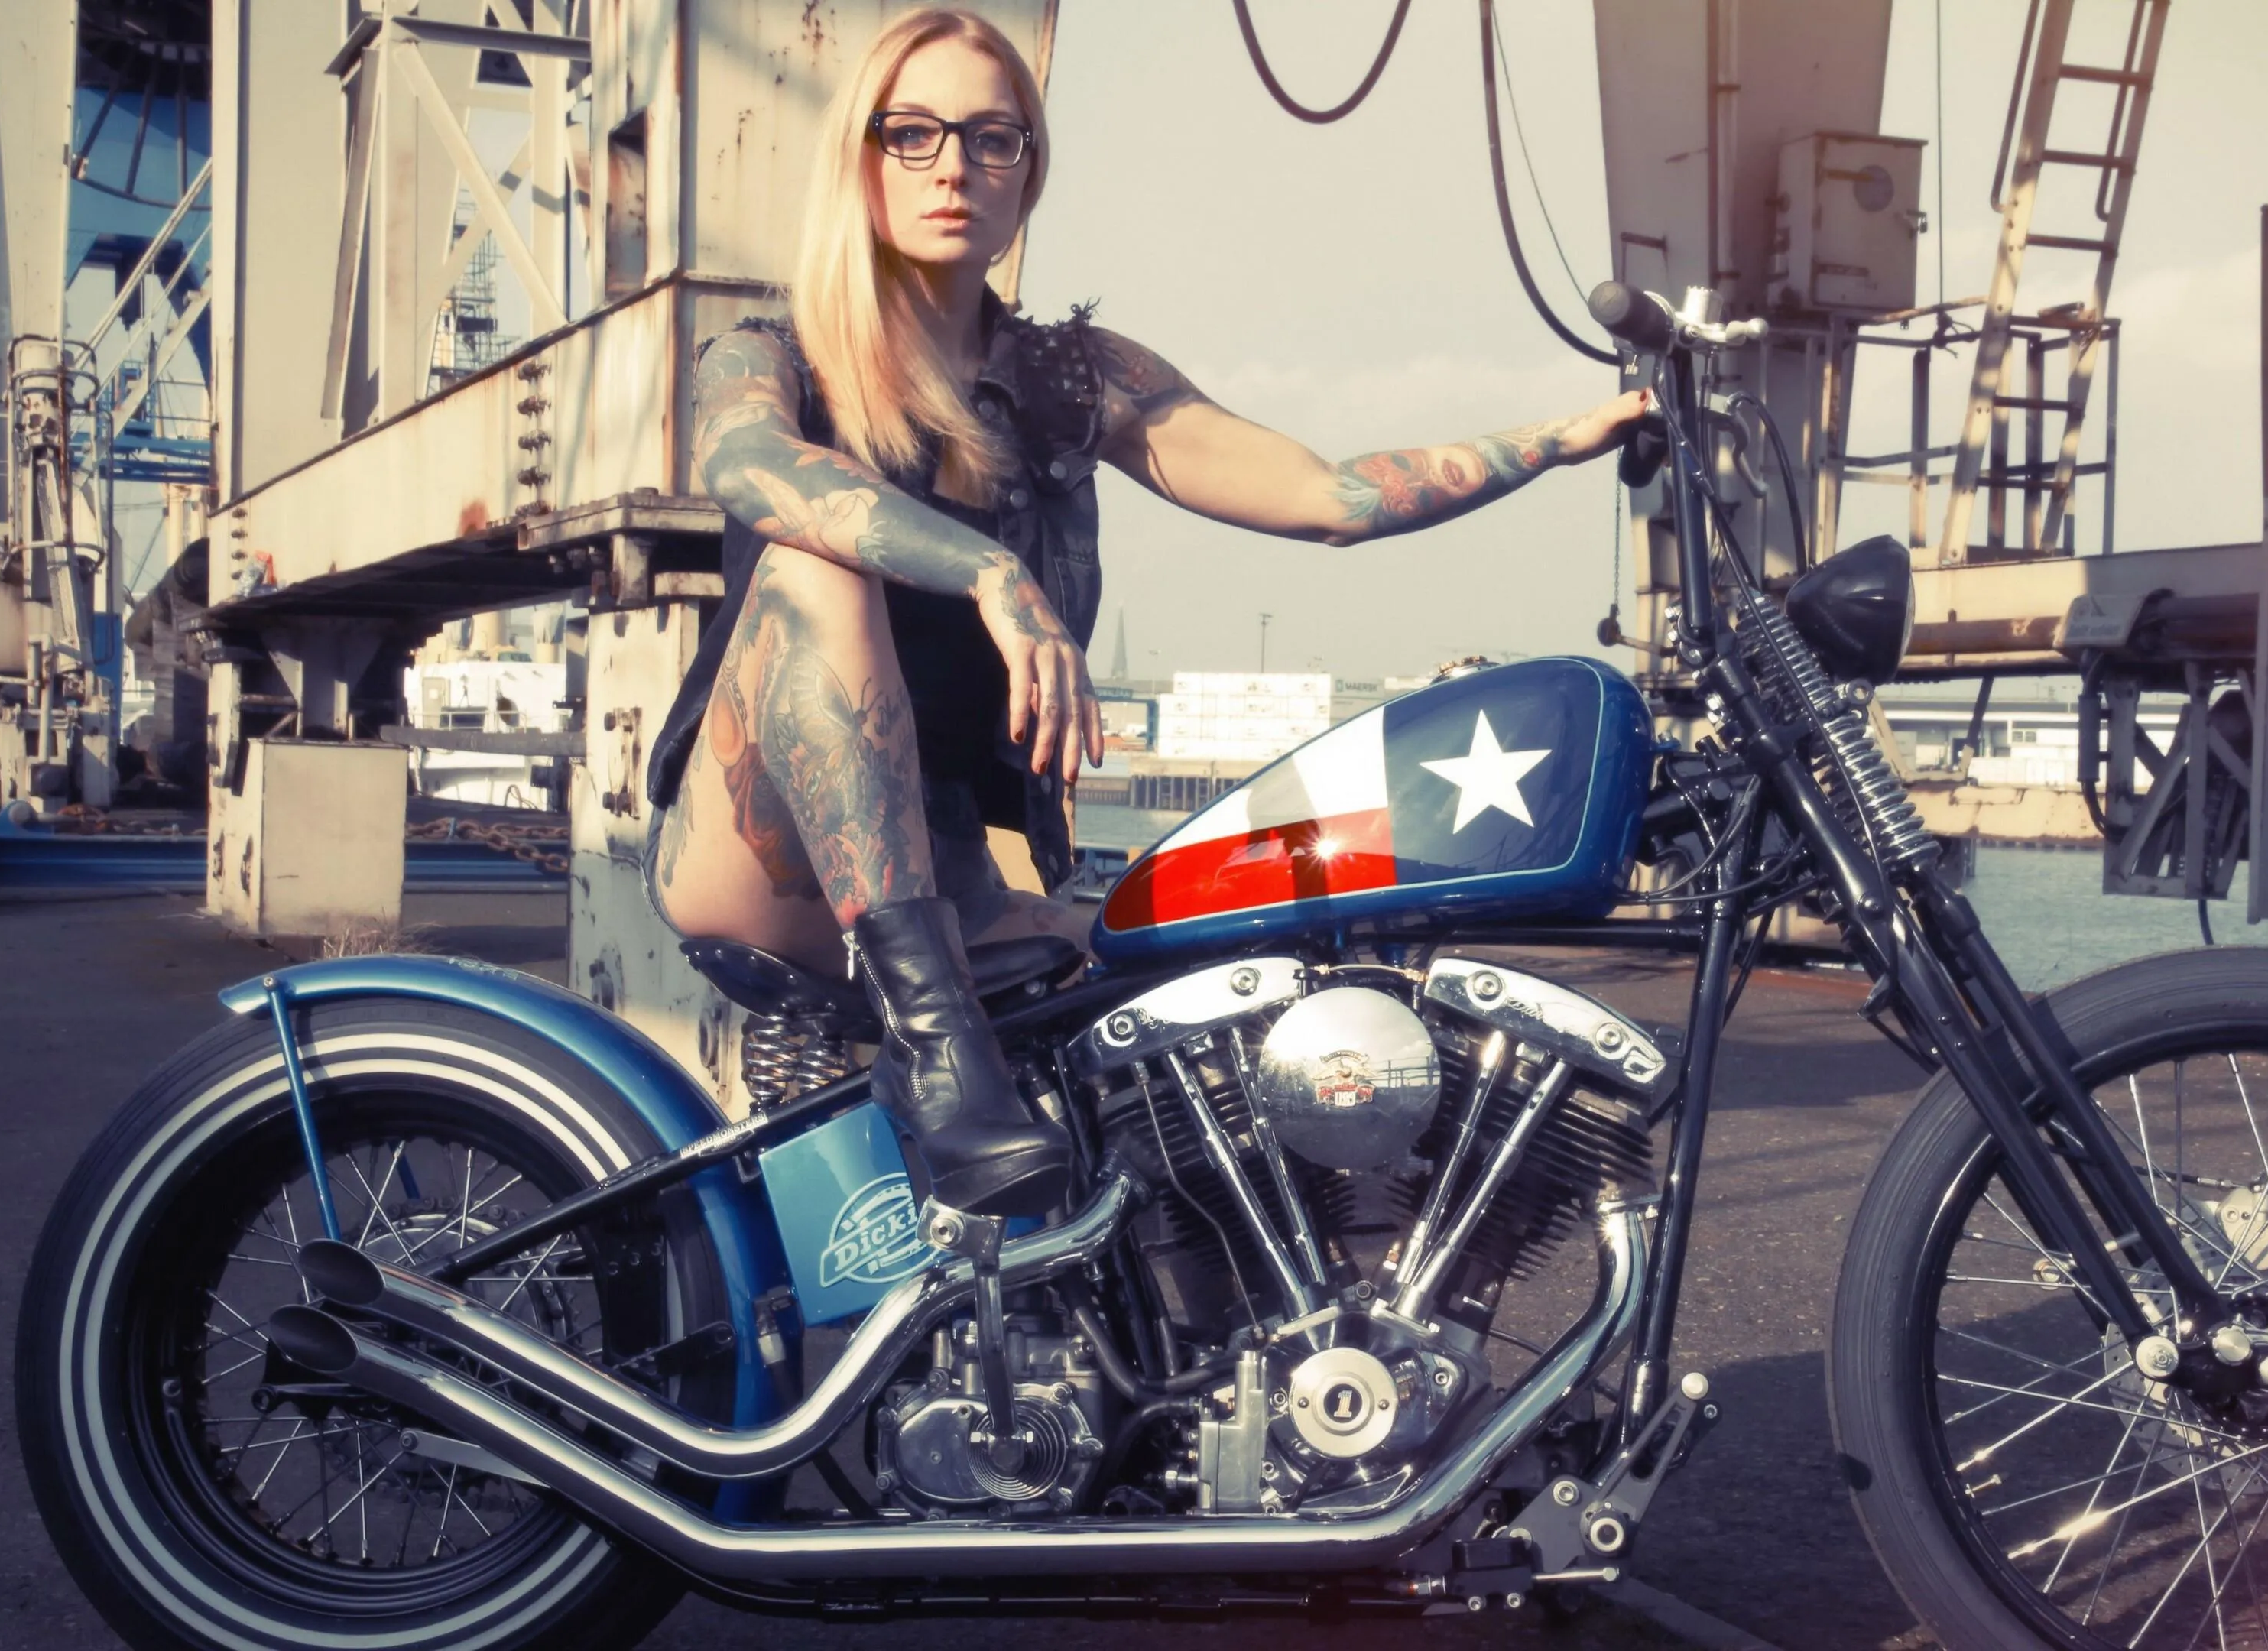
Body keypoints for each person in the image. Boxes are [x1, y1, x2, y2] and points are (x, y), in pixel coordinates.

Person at [644, 7, 1650, 1218]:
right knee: (816, 567)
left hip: (951, 879)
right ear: (858, 158)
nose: (952, 167)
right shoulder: (770, 356)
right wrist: (990, 572)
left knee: (1218, 993)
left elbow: (1324, 494)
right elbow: (748, 466)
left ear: (1029, 168)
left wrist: (1558, 439)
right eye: (910, 134)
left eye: (991, 138)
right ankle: (934, 1048)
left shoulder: (1073, 378)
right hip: (758, 860)